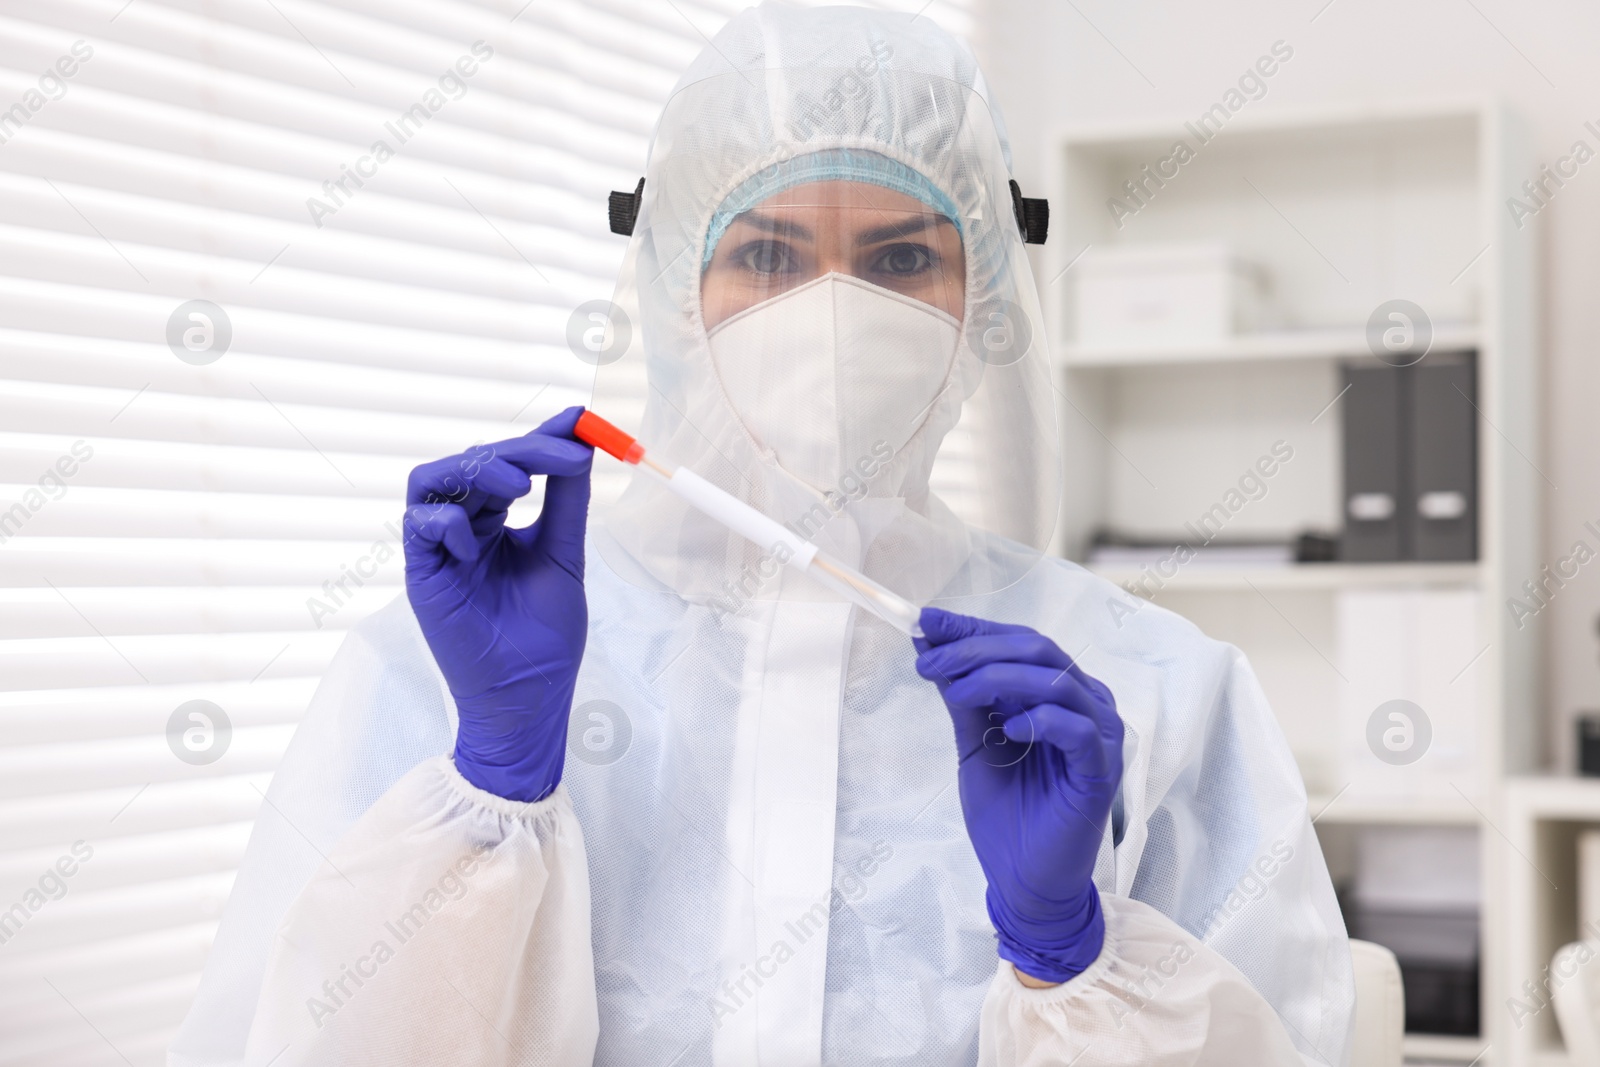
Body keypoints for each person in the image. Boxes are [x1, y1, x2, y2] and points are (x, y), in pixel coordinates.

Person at [169, 5, 1354, 1065]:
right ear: (676, 295)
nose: (832, 312)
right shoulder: (442, 668)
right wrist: (490, 794)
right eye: (767, 255)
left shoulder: (1153, 691)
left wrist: (1073, 957)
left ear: (983, 296)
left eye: (899, 259)